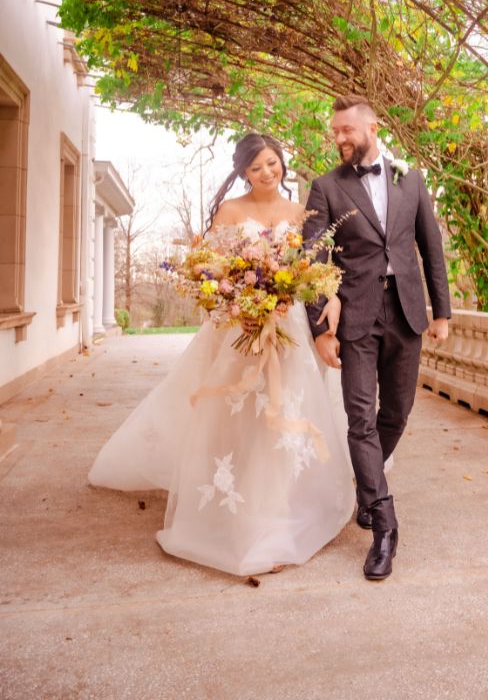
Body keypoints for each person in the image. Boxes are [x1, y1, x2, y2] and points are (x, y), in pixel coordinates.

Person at [88, 134, 355, 577]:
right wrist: (241, 298)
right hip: (241, 329)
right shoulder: (231, 211)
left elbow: (318, 269)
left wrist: (329, 297)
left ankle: (278, 509)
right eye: (256, 168)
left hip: (288, 328)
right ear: (243, 173)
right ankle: (239, 511)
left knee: (283, 413)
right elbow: (211, 268)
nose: (267, 173)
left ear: (281, 162)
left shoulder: (299, 212)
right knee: (241, 418)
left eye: (272, 163)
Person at [304, 95, 451, 581]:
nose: (341, 138)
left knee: (397, 413)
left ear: (372, 126)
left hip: (407, 311)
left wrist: (442, 312)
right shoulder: (325, 187)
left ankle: (367, 487)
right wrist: (322, 328)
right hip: (355, 315)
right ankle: (384, 525)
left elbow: (430, 248)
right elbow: (313, 260)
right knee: (360, 417)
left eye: (347, 129)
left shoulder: (412, 179)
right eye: (336, 132)